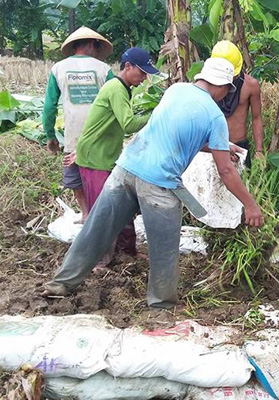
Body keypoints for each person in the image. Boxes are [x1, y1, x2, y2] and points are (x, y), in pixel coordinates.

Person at [42, 58, 264, 309]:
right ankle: (160, 306)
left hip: (124, 169)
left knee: (95, 229)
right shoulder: (214, 116)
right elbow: (225, 169)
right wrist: (250, 205)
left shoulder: (175, 90)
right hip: (158, 185)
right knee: (164, 250)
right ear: (224, 86)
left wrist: (220, 147)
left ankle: (62, 283)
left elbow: (176, 133)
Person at [75, 47, 159, 270]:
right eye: (141, 72)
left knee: (122, 204)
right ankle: (99, 260)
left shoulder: (123, 88)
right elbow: (129, 124)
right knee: (104, 211)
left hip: (107, 156)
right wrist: (158, 114)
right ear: (128, 66)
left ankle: (127, 251)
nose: (144, 78)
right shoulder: (116, 88)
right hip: (95, 157)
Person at [43, 26, 114, 219]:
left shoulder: (58, 69)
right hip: (100, 137)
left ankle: (85, 213)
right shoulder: (104, 69)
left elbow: (49, 106)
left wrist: (50, 136)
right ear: (92, 44)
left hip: (73, 136)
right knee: (102, 177)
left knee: (74, 179)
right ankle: (99, 214)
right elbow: (115, 101)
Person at [211, 40, 264, 167]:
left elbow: (256, 118)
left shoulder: (250, 85)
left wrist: (259, 150)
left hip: (239, 147)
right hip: (213, 147)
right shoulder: (208, 86)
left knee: (243, 186)